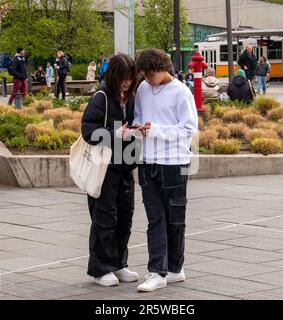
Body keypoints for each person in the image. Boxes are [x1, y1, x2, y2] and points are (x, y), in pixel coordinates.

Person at [134, 48, 198, 292]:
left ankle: (174, 268)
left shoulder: (181, 92)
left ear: (161, 69)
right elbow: (139, 113)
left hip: (175, 163)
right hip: (148, 161)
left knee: (175, 218)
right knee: (155, 219)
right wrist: (139, 126)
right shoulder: (142, 89)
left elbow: (188, 128)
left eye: (149, 74)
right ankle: (157, 271)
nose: (147, 79)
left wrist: (158, 130)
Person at [81, 53, 139, 287]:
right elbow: (88, 130)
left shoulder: (131, 97)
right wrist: (114, 134)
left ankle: (118, 263)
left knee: (125, 217)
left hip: (125, 165)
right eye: (123, 78)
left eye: (130, 78)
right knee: (105, 218)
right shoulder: (102, 97)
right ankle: (101, 268)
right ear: (114, 76)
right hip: (105, 167)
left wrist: (137, 130)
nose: (127, 82)